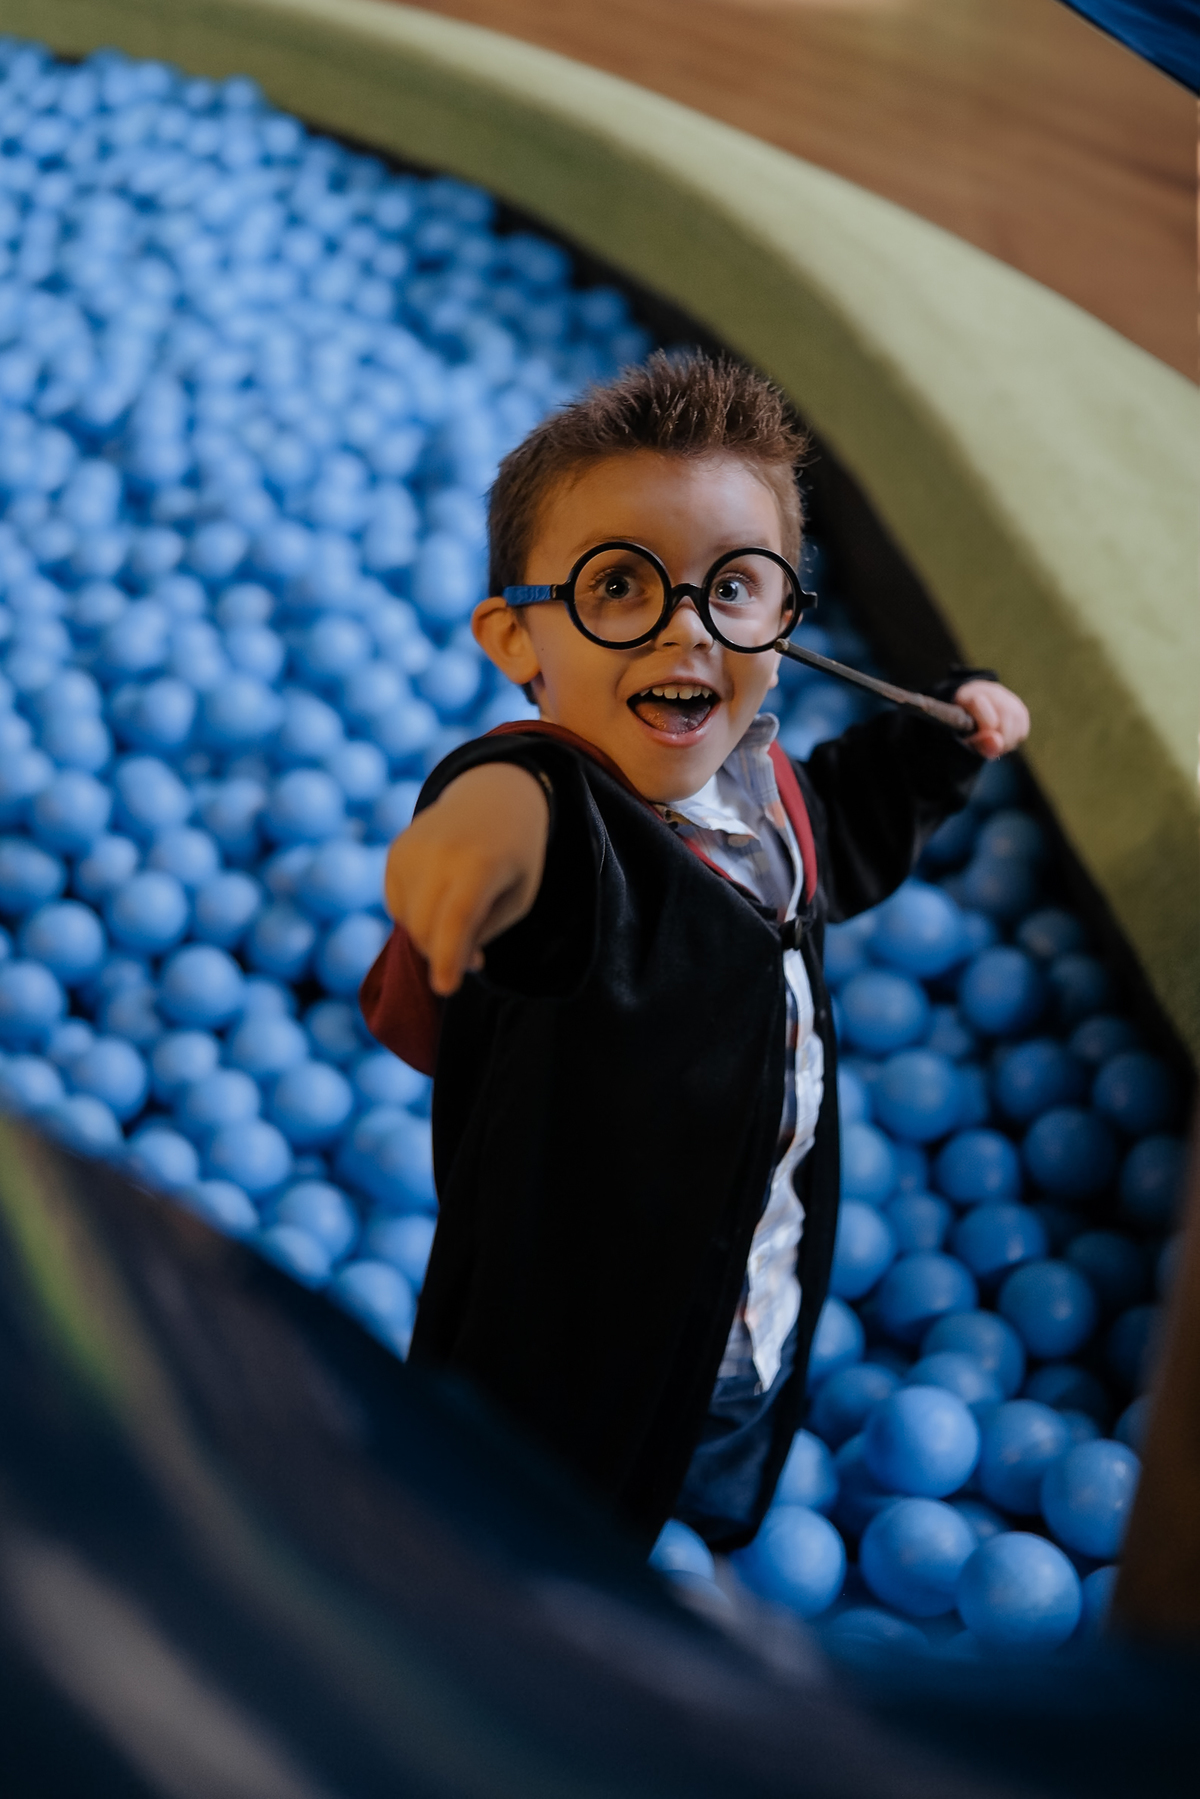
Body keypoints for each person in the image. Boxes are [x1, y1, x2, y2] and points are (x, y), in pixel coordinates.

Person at [360, 352, 1029, 1550]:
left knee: (708, 1473)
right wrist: (474, 835)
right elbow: (523, 807)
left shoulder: (764, 790)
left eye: (734, 587)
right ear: (519, 638)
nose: (686, 628)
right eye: (620, 585)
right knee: (530, 1534)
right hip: (572, 1346)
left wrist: (950, 729)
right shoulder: (570, 822)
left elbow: (849, 822)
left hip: (751, 1287)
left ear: (784, 619)